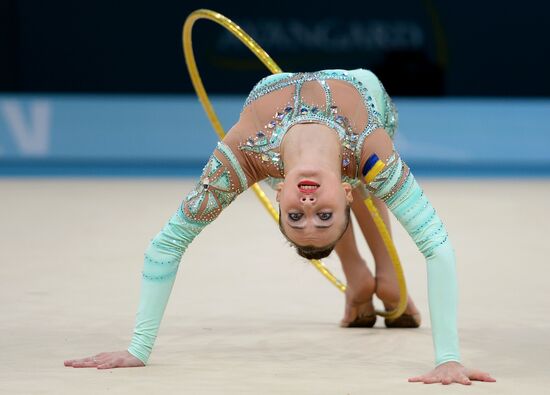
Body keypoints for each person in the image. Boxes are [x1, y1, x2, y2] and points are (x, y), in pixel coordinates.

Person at [64, 69, 495, 385]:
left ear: (277, 199)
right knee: (361, 175)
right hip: (366, 94)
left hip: (297, 163)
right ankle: (385, 281)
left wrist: (137, 347)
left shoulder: (244, 158)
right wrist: (449, 358)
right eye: (319, 215)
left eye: (297, 216)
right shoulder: (368, 144)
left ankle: (363, 278)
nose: (307, 205)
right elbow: (437, 246)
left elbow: (167, 243)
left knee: (350, 177)